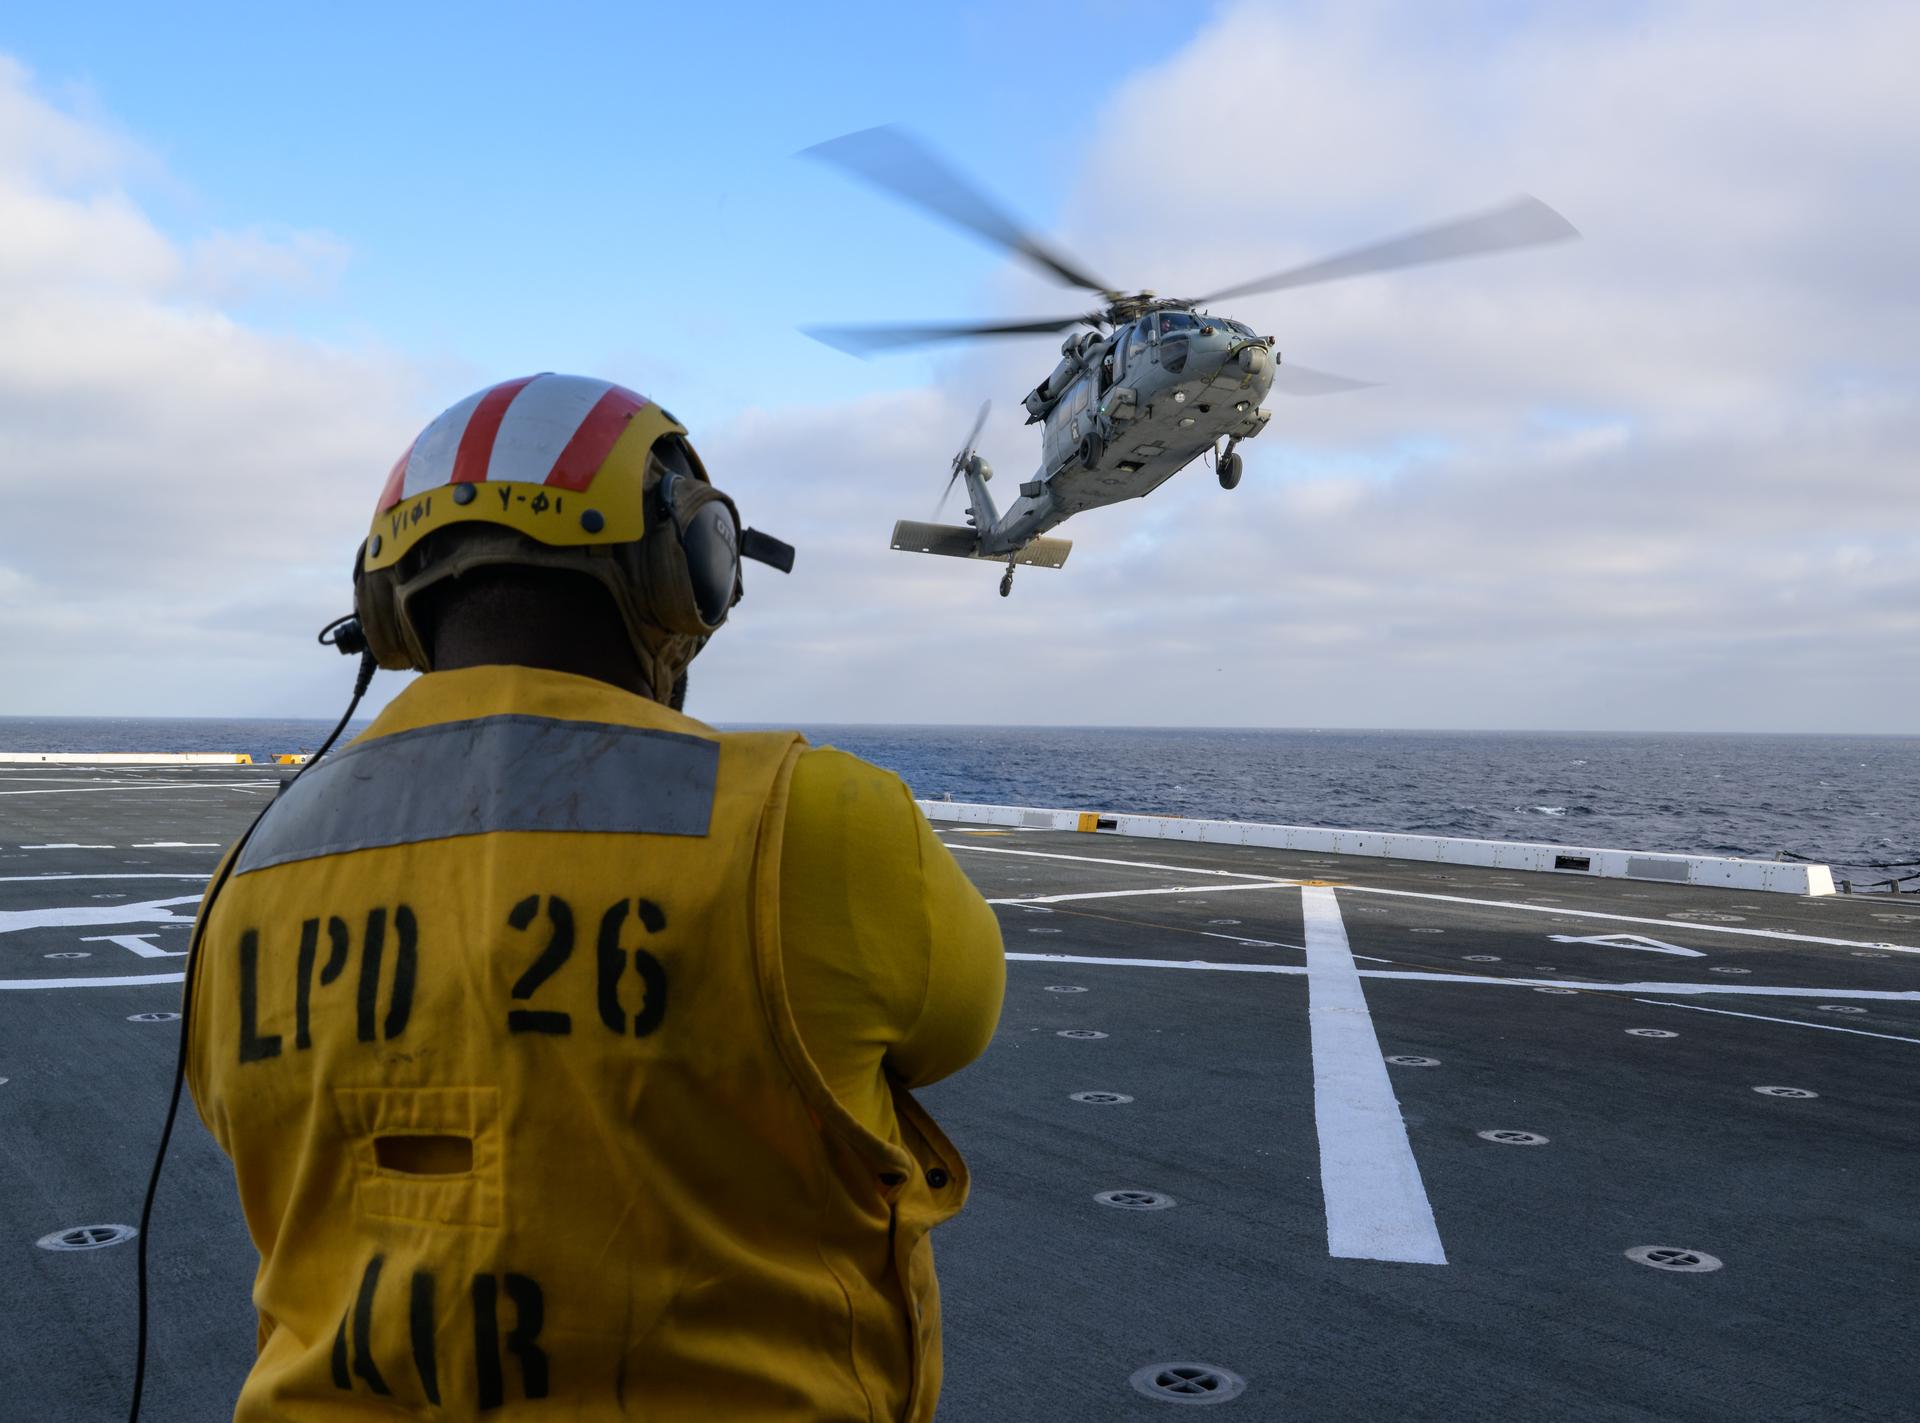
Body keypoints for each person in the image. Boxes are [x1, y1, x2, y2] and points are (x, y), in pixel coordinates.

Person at [186, 373, 1006, 1420]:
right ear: (684, 570)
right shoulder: (816, 823)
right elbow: (958, 1026)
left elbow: (248, 1123)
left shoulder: (249, 871)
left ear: (387, 607)